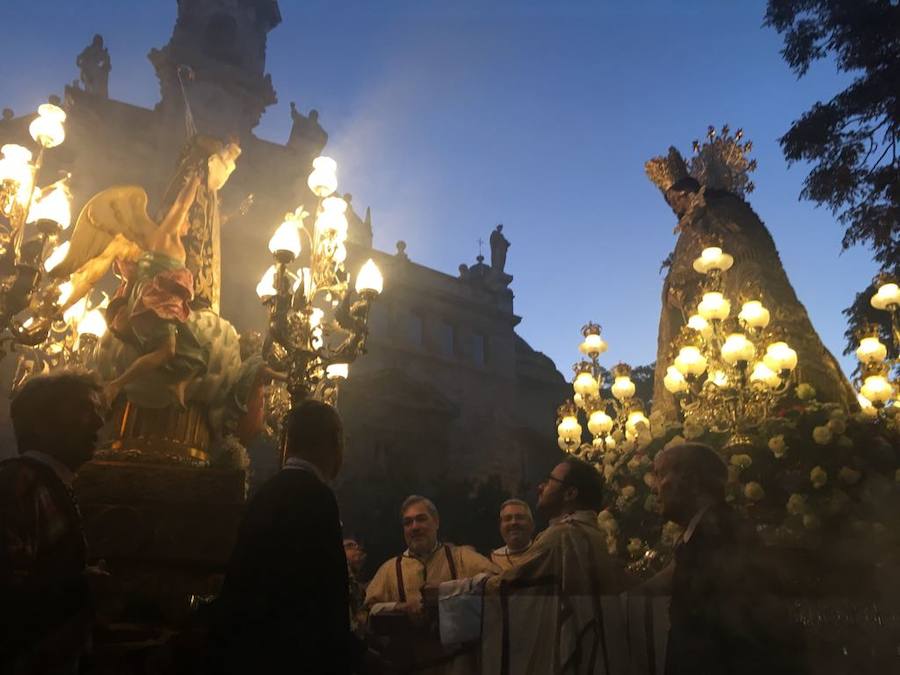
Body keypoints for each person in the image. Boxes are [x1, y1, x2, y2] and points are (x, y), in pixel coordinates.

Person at [209, 400, 373, 675]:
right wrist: (354, 656)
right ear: (332, 444)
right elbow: (323, 596)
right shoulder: (317, 498)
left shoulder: (264, 493)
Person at [432, 457, 632, 674]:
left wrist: (446, 594)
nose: (540, 486)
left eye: (549, 481)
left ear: (570, 493)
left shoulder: (562, 536)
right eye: (506, 519)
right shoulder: (592, 534)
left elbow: (508, 587)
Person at [651, 442, 807, 675]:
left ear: (692, 481)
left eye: (662, 474)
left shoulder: (718, 536)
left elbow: (725, 632)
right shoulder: (707, 533)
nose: (656, 487)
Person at [0, 371, 107, 674]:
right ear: (42, 423)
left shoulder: (42, 483)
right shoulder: (20, 484)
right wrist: (81, 585)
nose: (99, 423)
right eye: (84, 410)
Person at [365, 495, 498, 674]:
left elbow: (497, 582)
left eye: (421, 519)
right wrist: (400, 607)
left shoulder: (460, 557)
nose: (415, 527)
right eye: (408, 522)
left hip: (457, 666)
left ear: (436, 522)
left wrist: (448, 593)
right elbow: (368, 610)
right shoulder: (389, 569)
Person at [489, 498, 535, 571]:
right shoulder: (492, 561)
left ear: (531, 525)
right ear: (500, 527)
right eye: (507, 519)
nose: (514, 522)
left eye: (520, 518)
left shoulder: (544, 555)